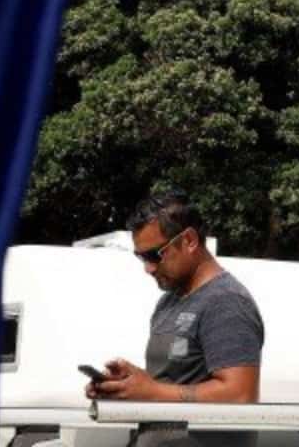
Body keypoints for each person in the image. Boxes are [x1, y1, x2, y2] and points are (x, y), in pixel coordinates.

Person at [87, 190, 265, 447]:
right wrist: (125, 388)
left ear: (190, 240)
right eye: (140, 257)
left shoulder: (226, 301)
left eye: (153, 255)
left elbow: (240, 395)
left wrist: (151, 391)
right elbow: (166, 387)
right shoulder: (168, 302)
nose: (147, 269)